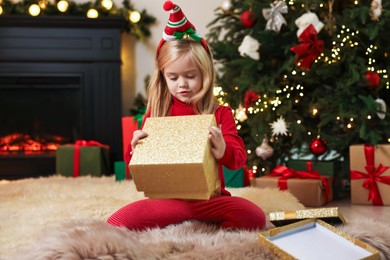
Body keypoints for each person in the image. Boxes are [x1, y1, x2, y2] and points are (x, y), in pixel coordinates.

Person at [107, 1, 266, 231]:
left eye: (190, 76)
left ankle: (189, 218)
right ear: (163, 77)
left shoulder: (220, 113)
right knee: (115, 223)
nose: (182, 84)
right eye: (173, 77)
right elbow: (135, 167)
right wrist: (135, 148)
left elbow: (238, 158)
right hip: (166, 200)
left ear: (205, 74)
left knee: (254, 217)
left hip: (211, 201)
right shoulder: (156, 113)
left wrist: (223, 150)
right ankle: (183, 216)